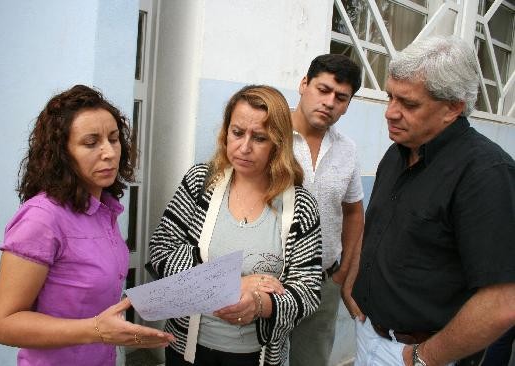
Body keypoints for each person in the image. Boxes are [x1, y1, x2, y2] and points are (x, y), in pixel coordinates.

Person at [351, 35, 515, 366]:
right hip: (370, 334)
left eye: (408, 104)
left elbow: (502, 301)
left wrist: (424, 357)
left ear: (453, 107)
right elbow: (379, 232)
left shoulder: (485, 174)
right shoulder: (397, 153)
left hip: (421, 354)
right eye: (389, 96)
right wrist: (354, 294)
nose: (390, 113)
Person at [0, 85, 175, 366]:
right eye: (91, 143)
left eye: (113, 139)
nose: (109, 153)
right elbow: (2, 325)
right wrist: (96, 330)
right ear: (61, 153)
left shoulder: (103, 209)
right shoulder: (42, 218)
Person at [148, 85, 322, 366]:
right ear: (225, 132)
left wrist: (261, 304)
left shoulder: (299, 206)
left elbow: (308, 290)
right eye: (237, 133)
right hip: (187, 350)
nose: (244, 147)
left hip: (258, 357)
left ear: (278, 143)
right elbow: (161, 254)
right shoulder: (200, 183)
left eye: (260, 138)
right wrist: (230, 283)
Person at [288, 54, 365, 366]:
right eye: (323, 89)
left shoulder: (347, 149)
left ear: (347, 104)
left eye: (341, 97)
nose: (330, 102)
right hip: (270, 279)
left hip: (323, 283)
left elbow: (354, 213)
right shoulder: (270, 136)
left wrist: (342, 272)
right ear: (304, 84)